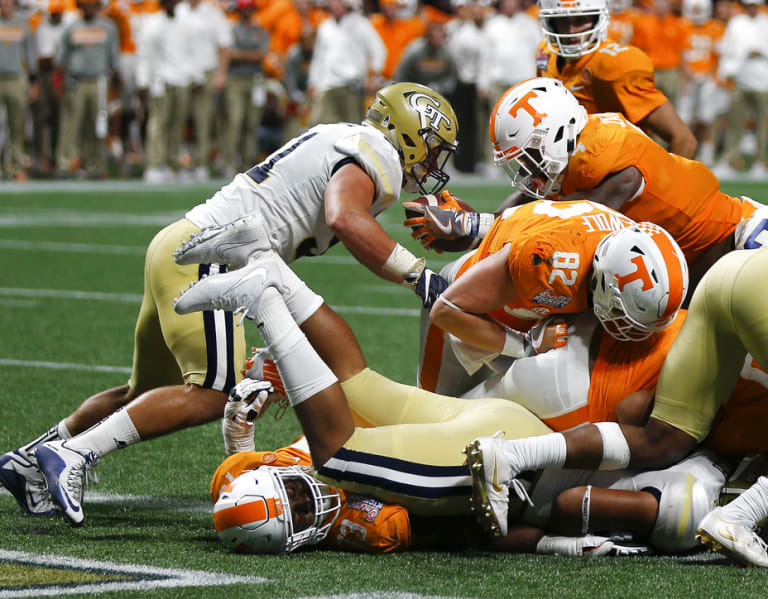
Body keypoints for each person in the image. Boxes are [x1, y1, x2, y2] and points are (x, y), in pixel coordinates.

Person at [0, 82, 458, 525]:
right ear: (412, 133)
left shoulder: (341, 135)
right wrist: (418, 275)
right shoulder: (375, 153)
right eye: (435, 148)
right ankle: (72, 453)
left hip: (180, 244)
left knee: (142, 395)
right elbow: (346, 218)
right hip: (211, 257)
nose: (434, 162)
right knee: (213, 392)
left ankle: (29, 462)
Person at [174, 254, 723, 555]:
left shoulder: (273, 482)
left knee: (337, 450)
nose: (303, 501)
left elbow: (257, 465)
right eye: (297, 509)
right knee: (356, 387)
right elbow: (467, 532)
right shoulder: (361, 524)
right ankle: (274, 269)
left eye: (289, 496)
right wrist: (553, 544)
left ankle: (266, 299)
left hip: (493, 440)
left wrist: (242, 440)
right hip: (496, 424)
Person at [461, 246, 768, 565]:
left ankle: (510, 455)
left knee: (662, 442)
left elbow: (635, 412)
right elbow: (629, 412)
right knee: (682, 507)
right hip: (592, 381)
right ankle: (740, 517)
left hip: (725, 276)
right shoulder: (701, 488)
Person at [408, 78, 766, 289]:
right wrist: (481, 228)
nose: (526, 170)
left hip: (739, 240)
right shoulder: (578, 143)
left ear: (554, 137)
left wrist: (479, 225)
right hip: (695, 263)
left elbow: (575, 219)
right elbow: (532, 200)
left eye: (527, 157)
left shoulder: (611, 160)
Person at [535, 0, 697, 157]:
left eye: (582, 19)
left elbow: (684, 139)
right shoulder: (546, 55)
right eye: (562, 20)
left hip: (615, 170)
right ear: (549, 21)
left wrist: (664, 182)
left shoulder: (614, 64)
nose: (571, 30)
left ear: (599, 19)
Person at [56, 0, 120, 179]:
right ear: (80, 5)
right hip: (76, 81)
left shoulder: (108, 27)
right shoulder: (72, 27)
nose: (90, 6)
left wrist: (115, 81)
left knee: (98, 124)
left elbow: (114, 57)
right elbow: (62, 58)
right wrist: (61, 82)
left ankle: (95, 164)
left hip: (100, 80)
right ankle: (65, 164)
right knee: (71, 123)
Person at [0, 0, 38, 181]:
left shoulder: (22, 24)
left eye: (7, 3)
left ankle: (16, 165)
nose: (3, 6)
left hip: (15, 78)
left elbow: (30, 53)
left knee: (17, 124)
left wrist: (33, 81)